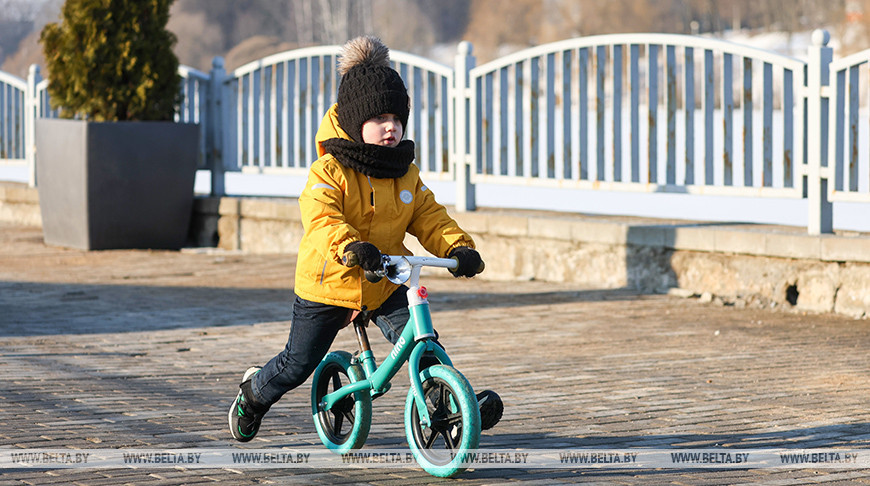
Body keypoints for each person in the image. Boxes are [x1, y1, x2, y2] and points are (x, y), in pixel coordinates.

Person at [228, 35, 502, 442]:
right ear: (356, 122)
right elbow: (321, 218)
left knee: (420, 338)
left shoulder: (404, 172)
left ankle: (448, 404)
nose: (390, 126)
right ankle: (253, 396)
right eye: (378, 119)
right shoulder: (329, 170)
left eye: (397, 118)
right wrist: (349, 247)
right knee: (297, 363)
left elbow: (427, 214)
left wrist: (457, 247)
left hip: (384, 277)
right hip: (329, 284)